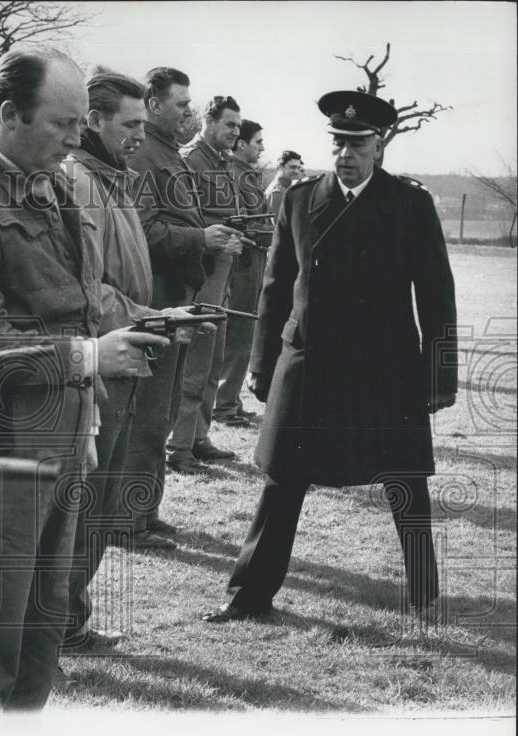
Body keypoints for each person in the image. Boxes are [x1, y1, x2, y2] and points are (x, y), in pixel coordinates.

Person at [0, 48, 168, 709]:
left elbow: (79, 301)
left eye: (82, 123)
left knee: (34, 653)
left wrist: (84, 414)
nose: (76, 139)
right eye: (61, 124)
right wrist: (87, 359)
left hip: (56, 452)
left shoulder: (53, 189)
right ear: (5, 115)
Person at [202, 91, 457, 623]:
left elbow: (437, 296)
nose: (345, 153)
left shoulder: (411, 205)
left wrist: (439, 375)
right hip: (310, 364)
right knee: (283, 479)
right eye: (338, 142)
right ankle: (249, 594)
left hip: (384, 369)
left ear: (379, 146)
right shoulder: (299, 200)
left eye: (357, 143)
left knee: (405, 478)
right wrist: (263, 365)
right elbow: (274, 290)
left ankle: (425, 595)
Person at [60, 70, 201, 645]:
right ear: (94, 122)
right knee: (86, 504)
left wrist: (153, 317)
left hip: (127, 348)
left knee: (102, 500)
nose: (140, 135)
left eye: (145, 123)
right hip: (103, 358)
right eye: (131, 124)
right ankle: (63, 625)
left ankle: (70, 622)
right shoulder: (79, 183)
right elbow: (81, 288)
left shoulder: (111, 178)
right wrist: (147, 317)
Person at [124, 68, 242, 540]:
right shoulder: (145, 156)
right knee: (148, 412)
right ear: (153, 104)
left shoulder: (166, 152)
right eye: (180, 104)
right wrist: (202, 237)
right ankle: (130, 518)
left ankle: (145, 511)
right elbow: (144, 231)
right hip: (156, 297)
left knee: (164, 408)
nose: (188, 112)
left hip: (177, 294)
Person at [166, 95, 250, 474]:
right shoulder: (190, 161)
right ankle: (178, 448)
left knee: (213, 357)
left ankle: (198, 437)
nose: (236, 132)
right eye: (230, 124)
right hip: (201, 273)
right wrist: (215, 239)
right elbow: (186, 220)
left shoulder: (222, 162)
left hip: (223, 270)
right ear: (208, 121)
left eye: (238, 125)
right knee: (196, 361)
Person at [213, 118, 270, 426]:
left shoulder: (247, 174)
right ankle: (223, 405)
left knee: (246, 332)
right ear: (242, 144)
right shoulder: (233, 174)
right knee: (238, 331)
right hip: (243, 262)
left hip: (255, 260)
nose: (263, 148)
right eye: (258, 142)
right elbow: (237, 221)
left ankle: (230, 400)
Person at [265, 150, 304, 217]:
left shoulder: (286, 187)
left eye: (298, 168)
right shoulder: (277, 192)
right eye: (293, 167)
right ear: (280, 167)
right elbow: (279, 225)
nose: (297, 171)